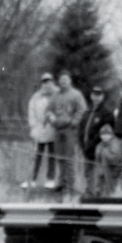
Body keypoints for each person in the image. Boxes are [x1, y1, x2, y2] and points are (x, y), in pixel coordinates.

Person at [46, 70, 87, 200]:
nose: (63, 82)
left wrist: (74, 122)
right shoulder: (55, 95)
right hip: (57, 129)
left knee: (69, 158)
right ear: (59, 81)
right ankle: (62, 184)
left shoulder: (76, 94)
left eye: (66, 79)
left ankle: (70, 186)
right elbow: (48, 109)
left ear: (70, 80)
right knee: (59, 157)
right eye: (61, 80)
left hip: (69, 130)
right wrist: (50, 117)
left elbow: (82, 110)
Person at [23, 73, 57, 189]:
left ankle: (50, 179)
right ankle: (32, 179)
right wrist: (33, 127)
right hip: (40, 130)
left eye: (49, 81)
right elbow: (31, 112)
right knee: (37, 156)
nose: (47, 84)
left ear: (52, 82)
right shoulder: (36, 97)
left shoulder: (57, 95)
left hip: (53, 129)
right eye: (44, 82)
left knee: (52, 156)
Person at [78, 86, 114, 196]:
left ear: (102, 97)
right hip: (85, 150)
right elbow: (81, 129)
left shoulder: (106, 113)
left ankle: (97, 197)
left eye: (99, 95)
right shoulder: (87, 111)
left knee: (99, 175)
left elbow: (106, 134)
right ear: (91, 96)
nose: (96, 97)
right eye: (94, 94)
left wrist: (92, 145)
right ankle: (89, 194)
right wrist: (82, 145)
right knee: (87, 174)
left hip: (99, 151)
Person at [92, 124, 122, 197]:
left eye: (106, 134)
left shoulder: (115, 143)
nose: (104, 136)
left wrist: (105, 152)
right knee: (102, 192)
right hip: (103, 173)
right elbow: (97, 158)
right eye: (102, 134)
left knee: (113, 193)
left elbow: (115, 158)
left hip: (115, 172)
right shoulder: (100, 144)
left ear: (111, 134)